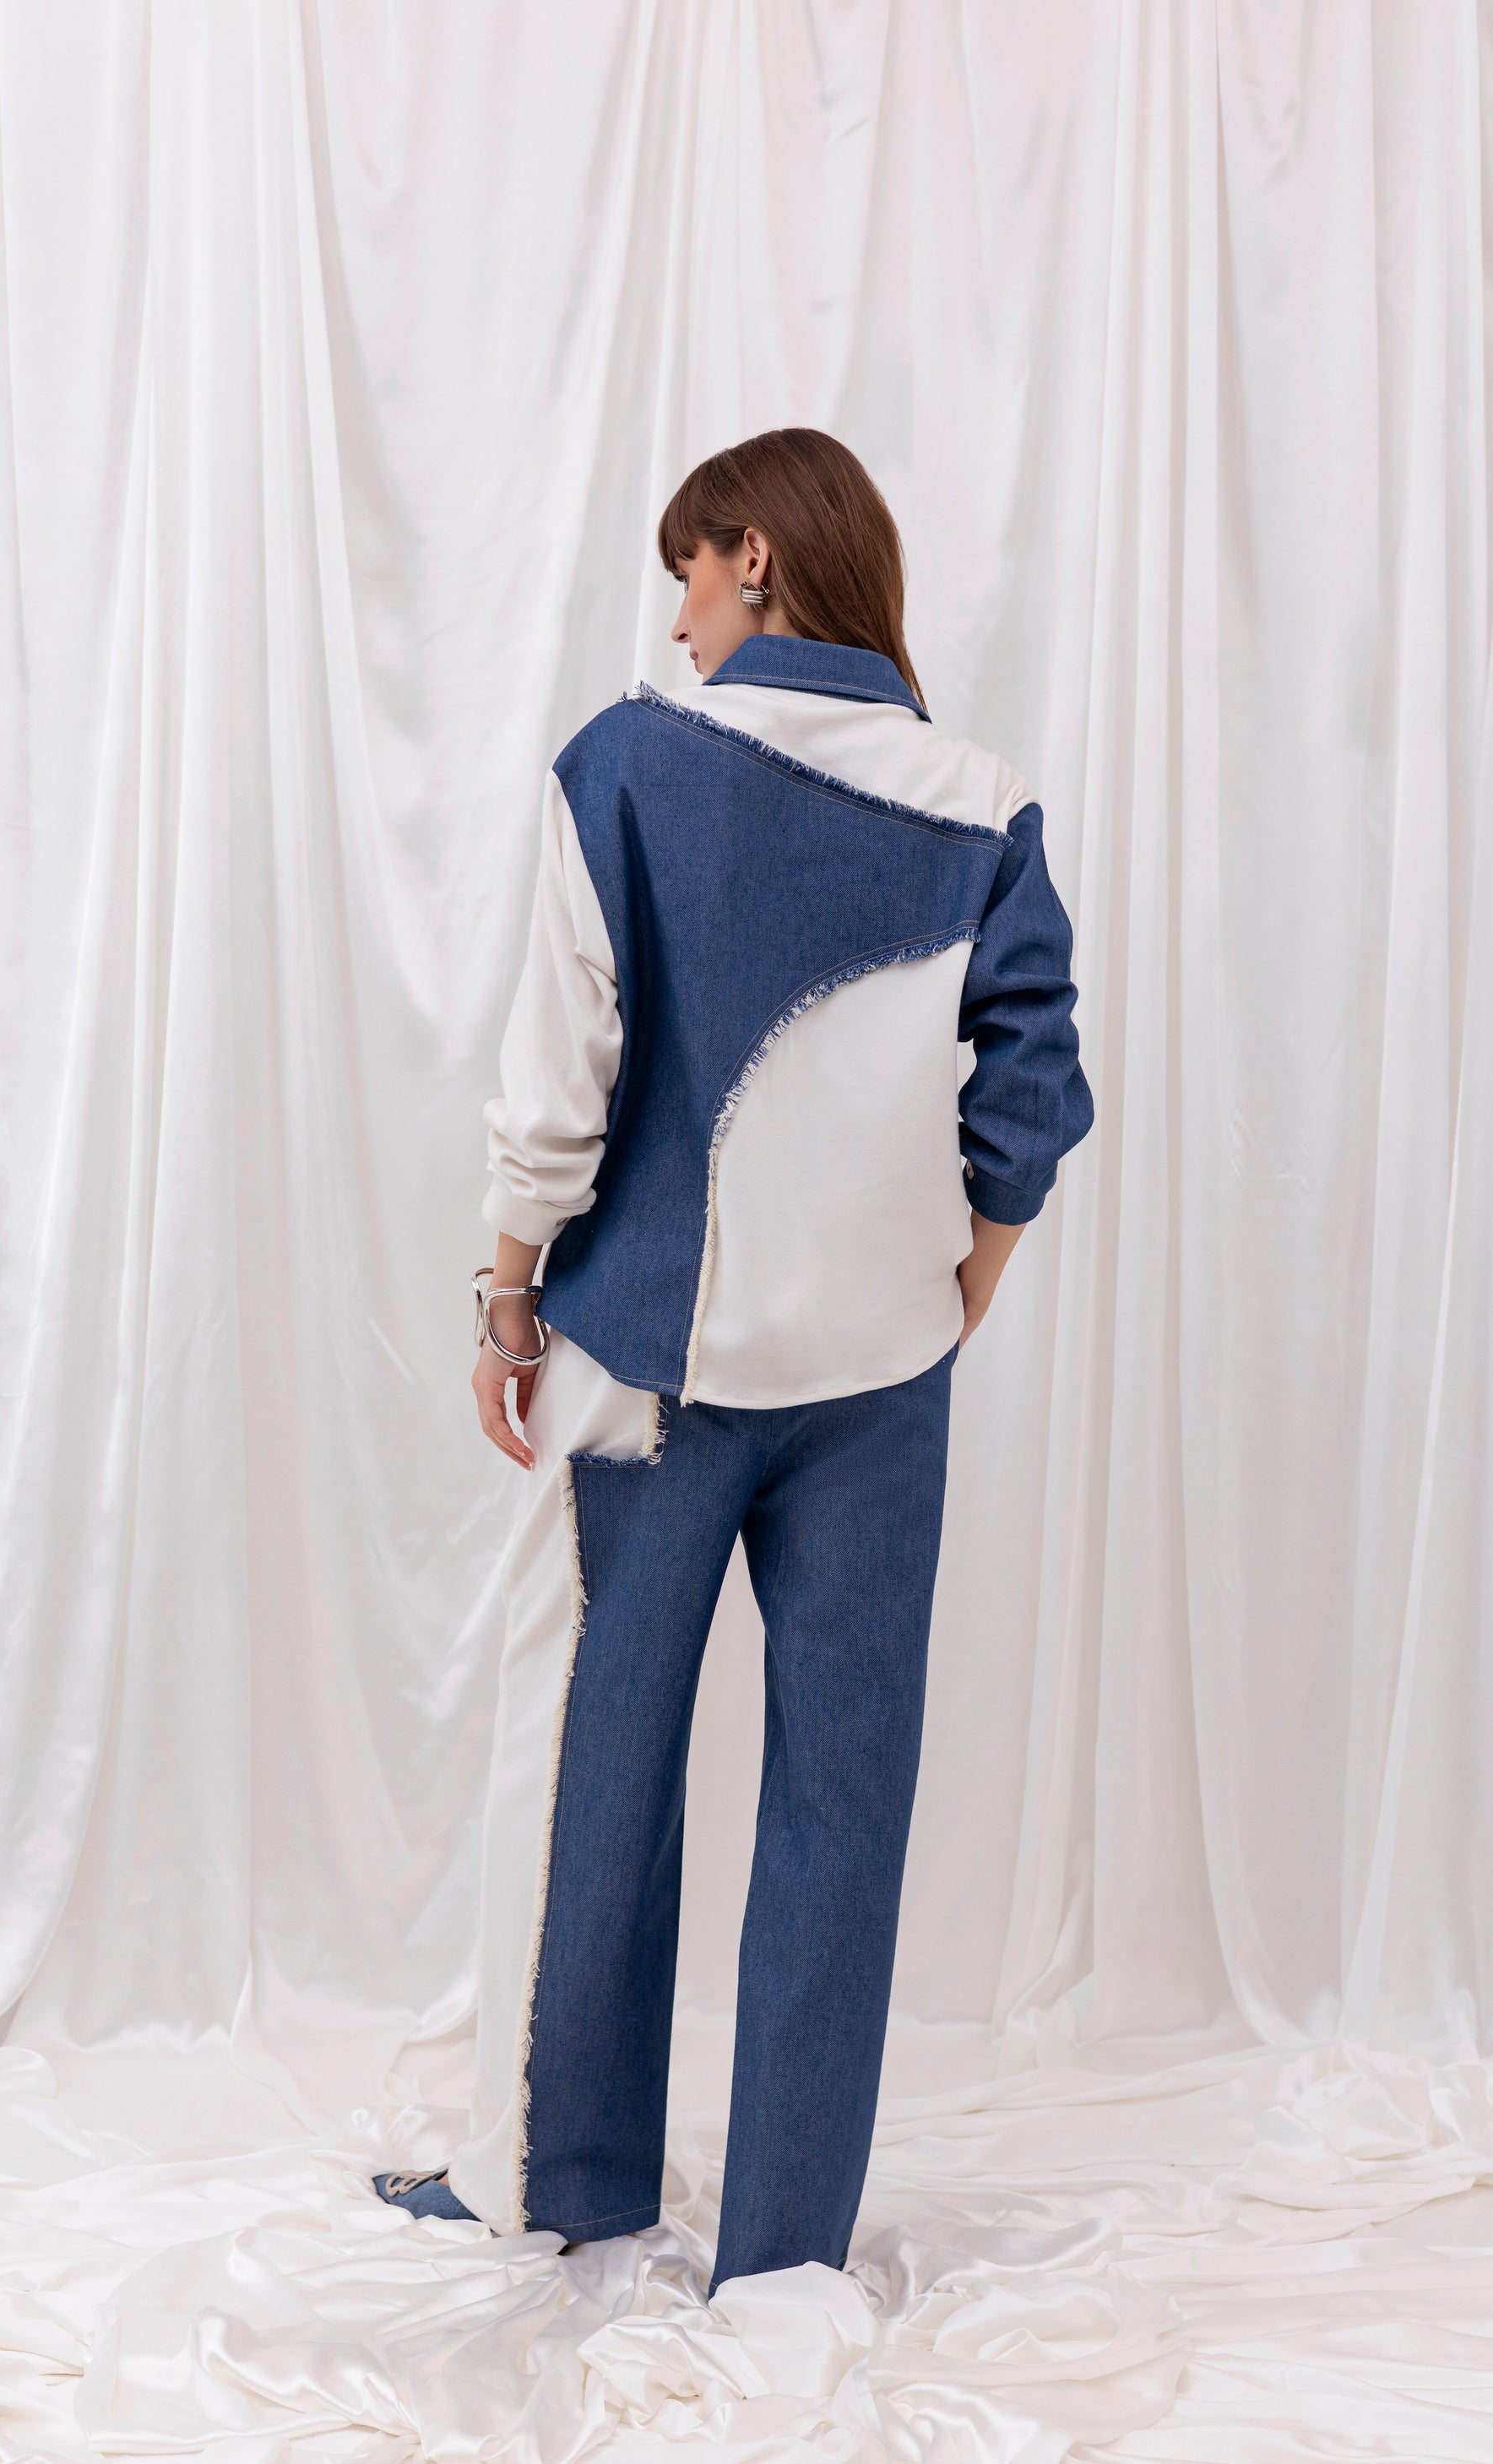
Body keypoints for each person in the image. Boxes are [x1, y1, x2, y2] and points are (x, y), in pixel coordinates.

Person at [375, 427, 1093, 2292]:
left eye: (687, 570)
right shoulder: (981, 798)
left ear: (754, 555)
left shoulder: (629, 761)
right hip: (879, 1380)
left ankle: (558, 2178)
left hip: (646, 1369)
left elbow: (561, 1077)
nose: (678, 616)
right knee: (842, 1807)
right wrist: (955, 1292)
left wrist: (504, 1292)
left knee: (584, 1776)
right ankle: (782, 2251)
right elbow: (1032, 1087)